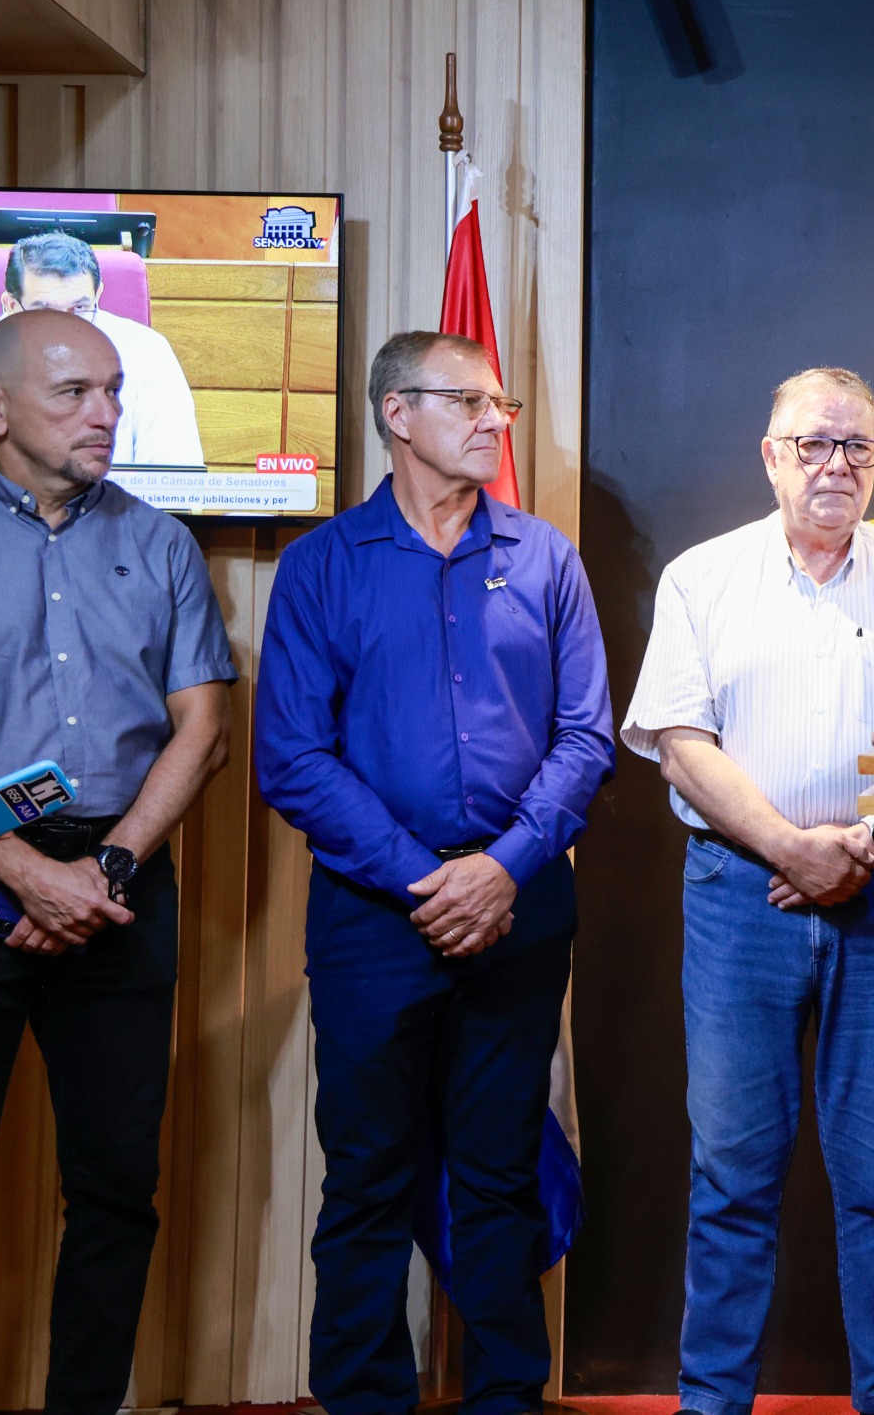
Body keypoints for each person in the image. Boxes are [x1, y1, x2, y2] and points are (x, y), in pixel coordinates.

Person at [0, 308, 233, 1415]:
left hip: (122, 885)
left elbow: (204, 729)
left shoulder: (161, 542)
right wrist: (22, 868)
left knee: (118, 1187)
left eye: (114, 390)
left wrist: (107, 868)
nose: (106, 413)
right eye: (75, 392)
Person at [255, 330, 612, 1415]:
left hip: (521, 910)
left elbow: (586, 737)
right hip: (374, 920)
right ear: (397, 413)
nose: (495, 421)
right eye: (469, 402)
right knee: (368, 1175)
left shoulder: (545, 558)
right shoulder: (323, 565)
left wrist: (501, 870)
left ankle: (506, 1396)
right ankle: (365, 1396)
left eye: (501, 405)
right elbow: (293, 757)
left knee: (500, 1172)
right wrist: (427, 879)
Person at [623, 366, 874, 1415]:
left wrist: (866, 844)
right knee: (732, 1171)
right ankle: (712, 1398)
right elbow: (679, 743)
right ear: (771, 456)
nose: (835, 465)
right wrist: (788, 847)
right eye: (813, 444)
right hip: (740, 896)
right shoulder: (703, 577)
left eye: (856, 446)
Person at [0, 232, 206, 470]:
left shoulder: (148, 354)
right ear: (10, 306)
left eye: (80, 308)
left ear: (98, 296)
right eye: (43, 310)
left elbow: (174, 481)